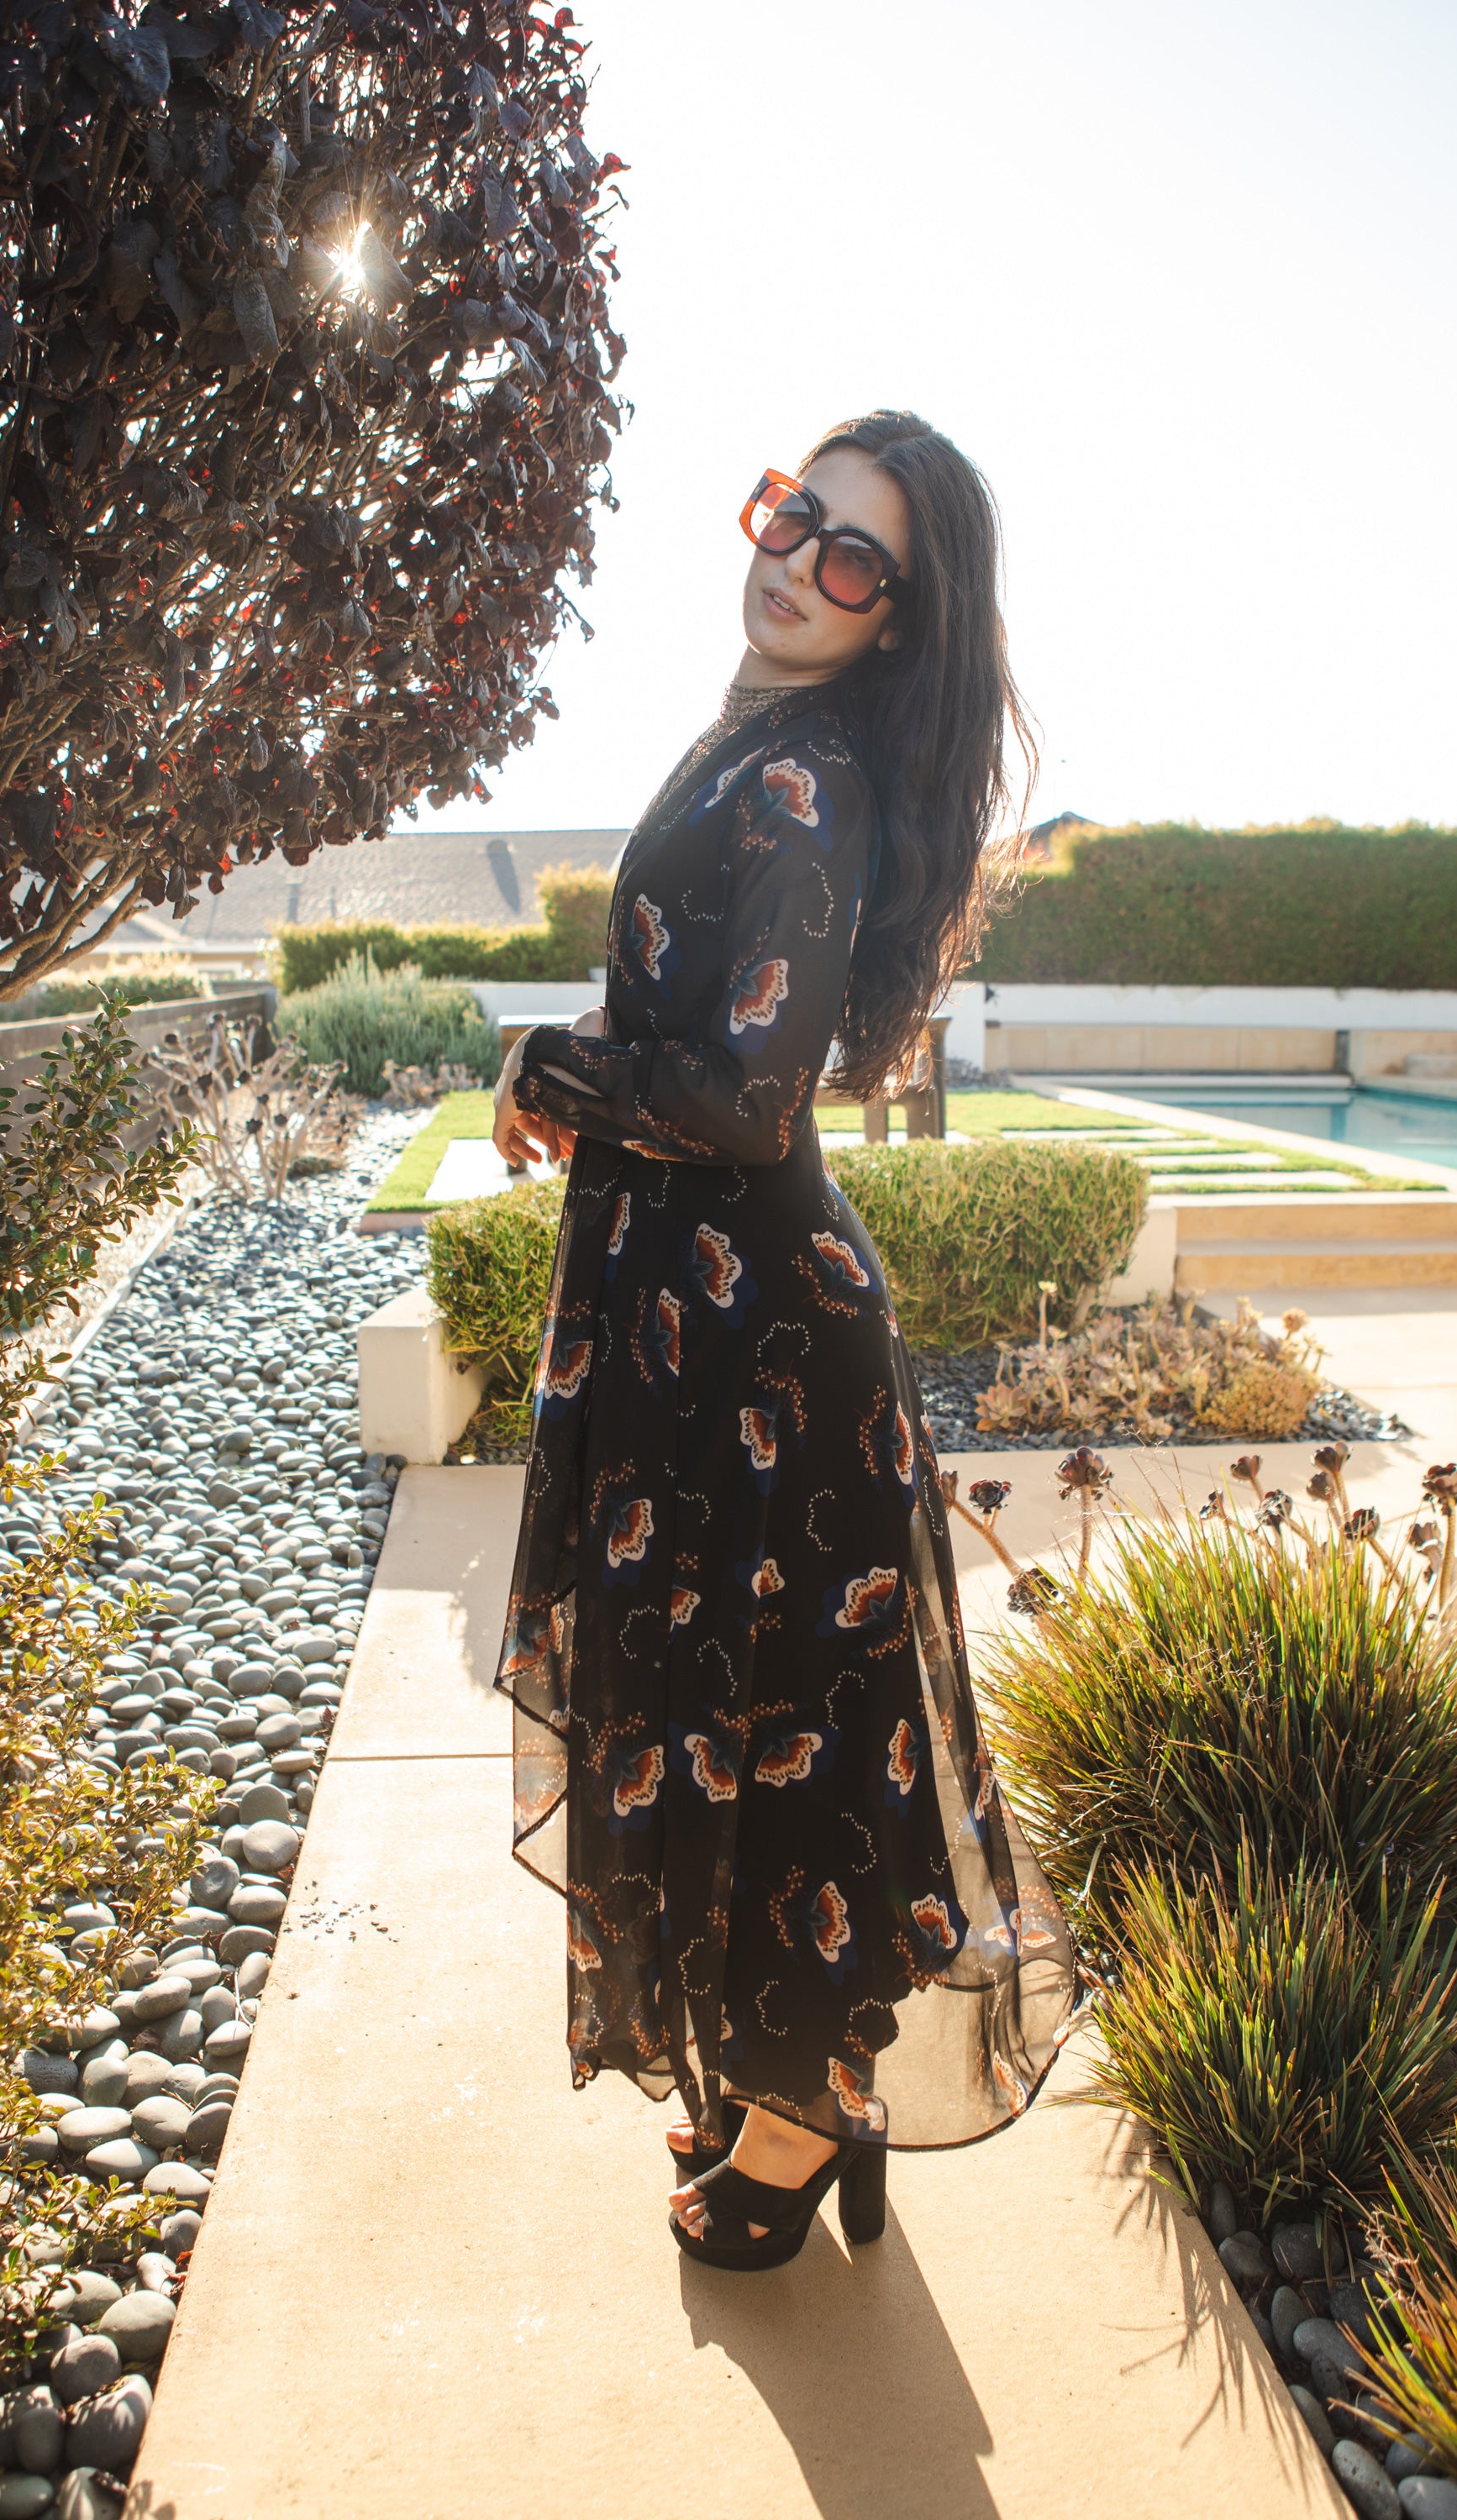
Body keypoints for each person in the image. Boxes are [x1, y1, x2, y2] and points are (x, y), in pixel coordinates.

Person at [492, 410, 1076, 2272]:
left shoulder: (805, 779)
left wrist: (540, 1065)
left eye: (852, 558)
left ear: (896, 619)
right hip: (706, 1319)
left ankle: (802, 2112)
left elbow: (752, 1098)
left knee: (794, 1742)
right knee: (738, 1723)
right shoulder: (766, 743)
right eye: (791, 514)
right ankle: (781, 2079)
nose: (798, 560)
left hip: (753, 1342)